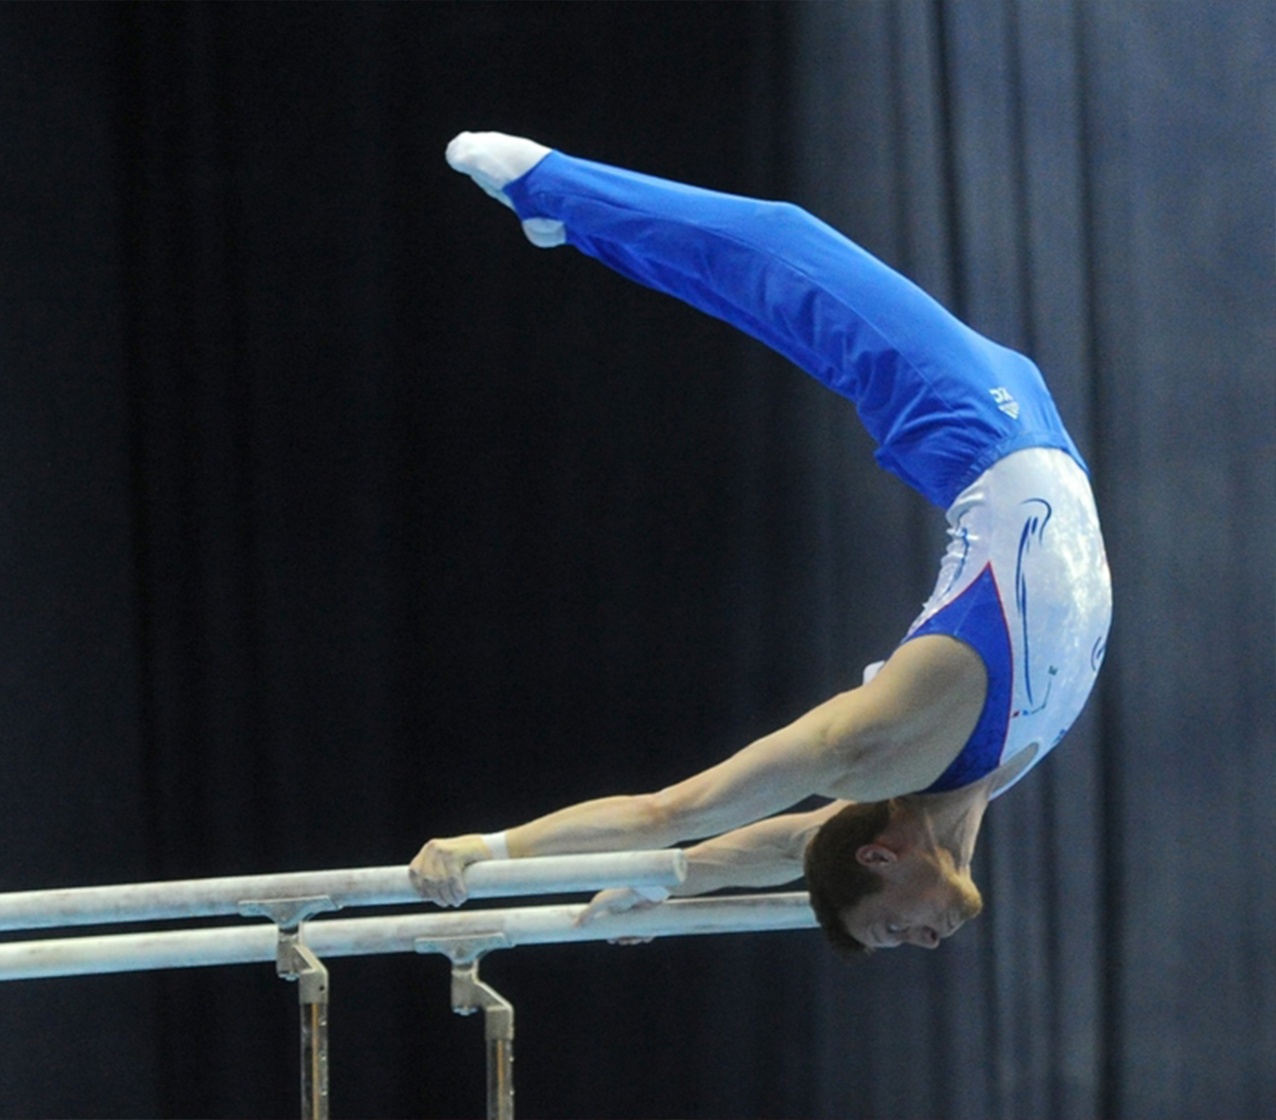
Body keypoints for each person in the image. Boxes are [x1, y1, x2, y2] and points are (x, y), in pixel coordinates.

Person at [409, 132, 1112, 954]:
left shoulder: (872, 747)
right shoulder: (958, 792)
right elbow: (788, 848)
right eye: (900, 940)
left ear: (882, 857)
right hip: (1036, 436)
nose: (922, 942)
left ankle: (549, 186)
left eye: (893, 926)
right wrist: (655, 890)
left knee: (786, 254)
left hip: (978, 427)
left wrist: (487, 853)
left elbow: (667, 814)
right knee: (770, 291)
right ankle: (579, 226)